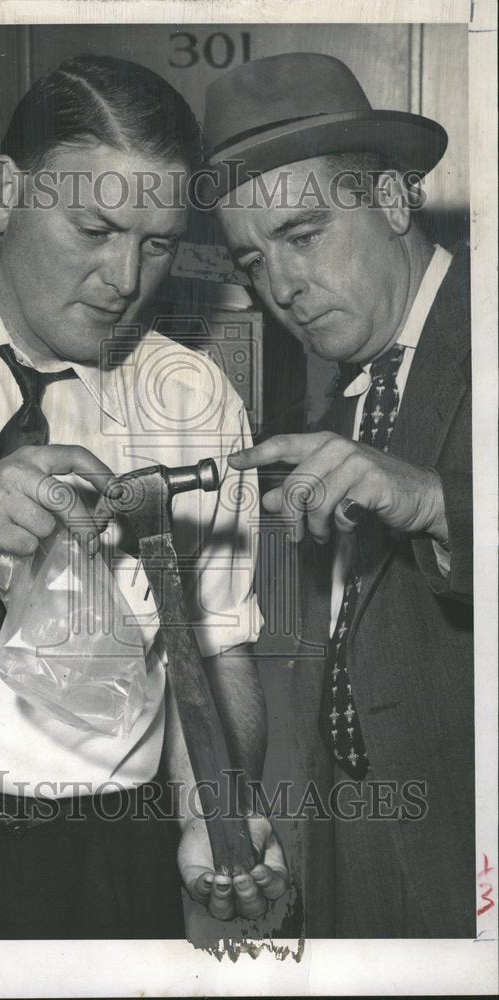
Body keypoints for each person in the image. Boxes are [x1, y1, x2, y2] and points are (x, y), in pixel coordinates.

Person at [0, 54, 288, 940]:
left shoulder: (194, 398)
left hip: (103, 863)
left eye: (157, 245)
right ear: (2, 193)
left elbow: (218, 651)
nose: (125, 278)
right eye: (94, 228)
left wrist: (210, 823)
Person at [206, 52, 474, 937]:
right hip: (365, 850)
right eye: (254, 260)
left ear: (393, 202)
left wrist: (439, 503)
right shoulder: (344, 401)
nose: (281, 287)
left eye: (304, 234)